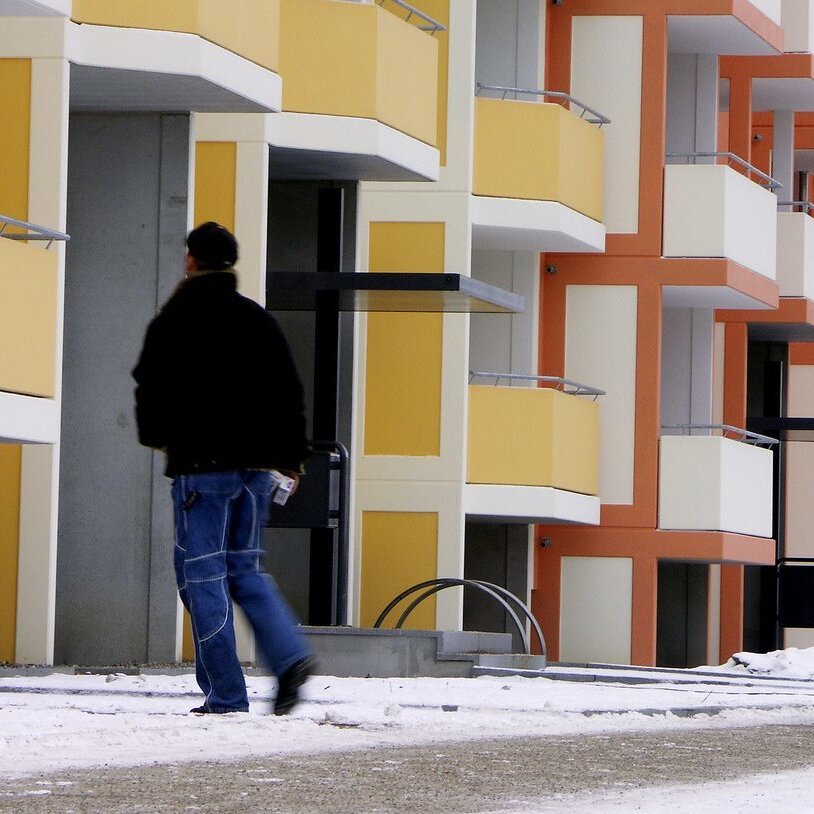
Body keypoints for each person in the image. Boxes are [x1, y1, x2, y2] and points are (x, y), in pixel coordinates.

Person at [132, 221, 314, 715]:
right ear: (231, 263)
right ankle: (290, 655)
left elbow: (148, 386)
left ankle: (226, 694)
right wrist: (291, 458)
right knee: (244, 568)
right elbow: (288, 391)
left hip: (201, 467)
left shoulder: (173, 320)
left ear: (191, 260)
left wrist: (160, 438)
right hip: (257, 470)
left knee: (202, 574)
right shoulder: (257, 320)